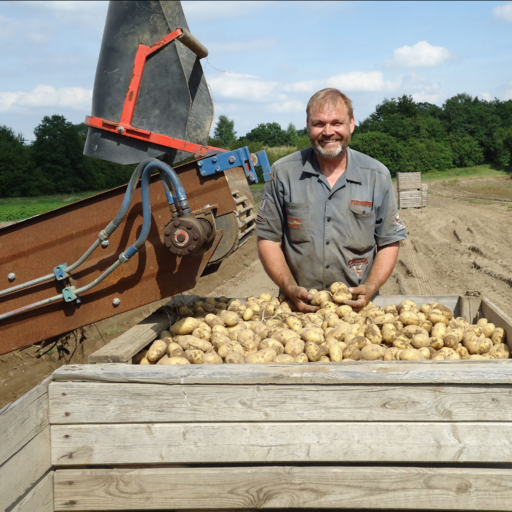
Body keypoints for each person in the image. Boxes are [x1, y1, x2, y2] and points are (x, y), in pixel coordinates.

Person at [255, 88, 407, 313]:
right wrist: (289, 287)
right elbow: (268, 239)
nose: (328, 132)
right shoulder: (283, 173)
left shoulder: (376, 175)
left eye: (337, 123)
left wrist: (371, 287)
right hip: (298, 309)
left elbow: (389, 241)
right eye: (319, 124)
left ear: (351, 124)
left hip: (357, 311)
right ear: (308, 125)